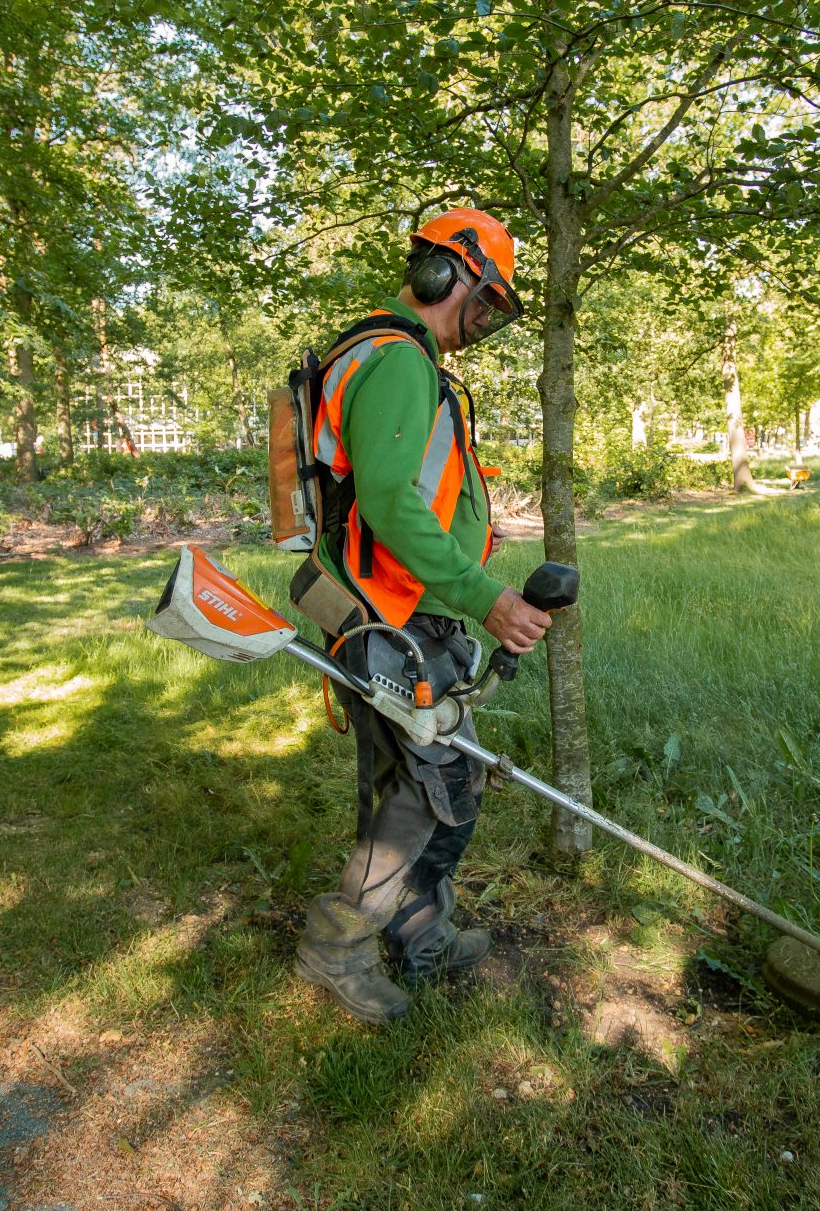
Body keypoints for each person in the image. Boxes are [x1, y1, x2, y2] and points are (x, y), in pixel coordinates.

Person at [293, 208, 551, 1025]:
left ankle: (418, 923)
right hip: (392, 615)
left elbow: (409, 491)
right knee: (428, 789)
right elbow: (391, 503)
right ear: (452, 272)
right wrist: (487, 594)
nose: (486, 319)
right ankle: (338, 946)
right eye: (489, 299)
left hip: (396, 610)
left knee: (425, 778)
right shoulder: (400, 359)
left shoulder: (387, 353)